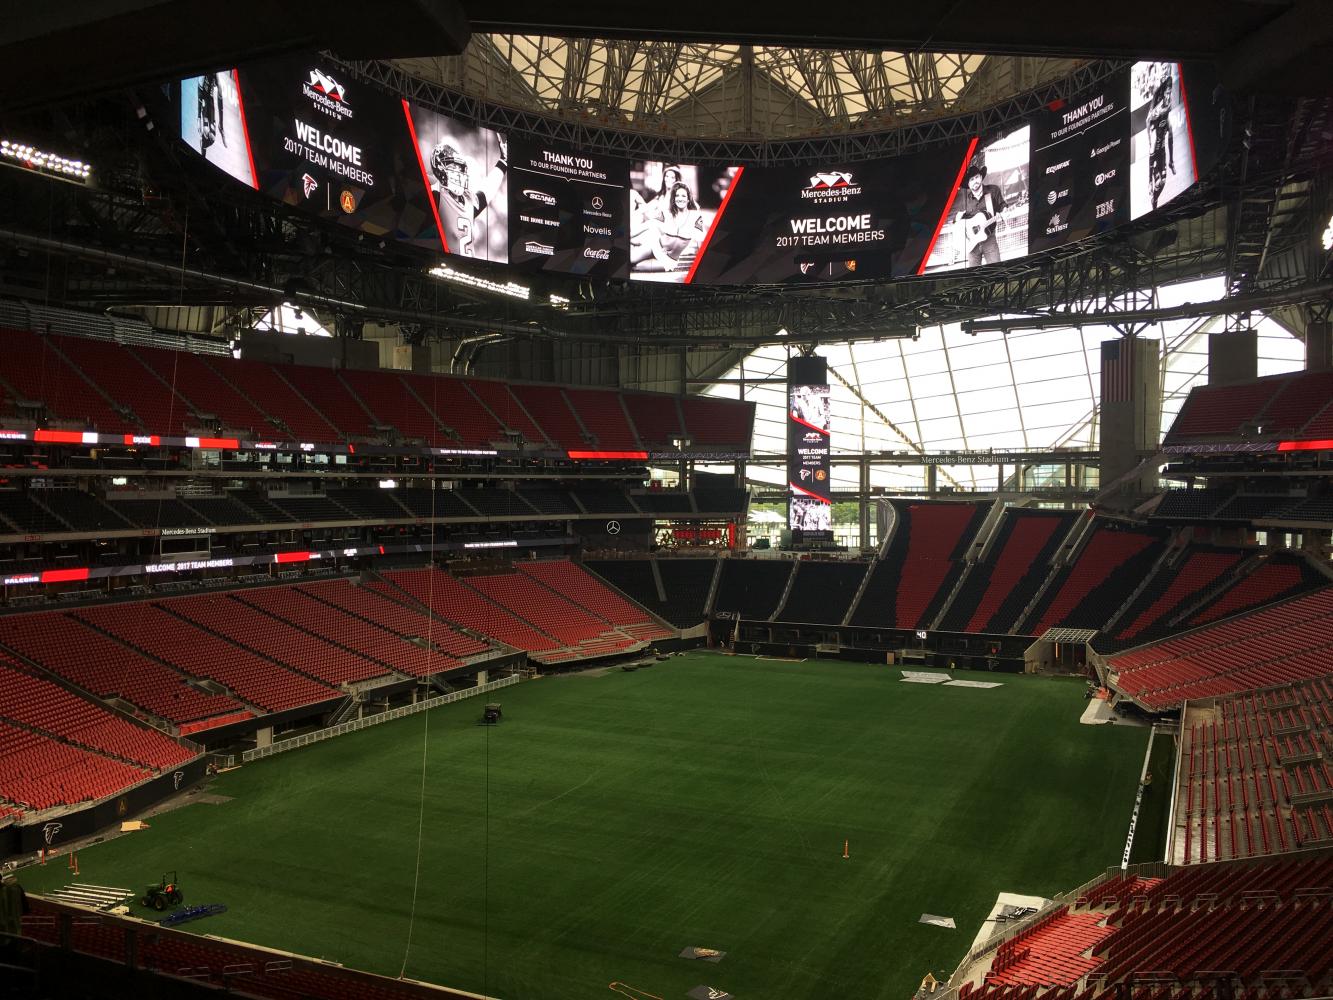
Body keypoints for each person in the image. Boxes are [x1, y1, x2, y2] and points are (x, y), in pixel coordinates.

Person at [430, 135, 508, 260]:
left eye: (460, 168)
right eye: (453, 167)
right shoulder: (436, 196)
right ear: (440, 169)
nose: (458, 173)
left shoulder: (467, 201)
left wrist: (503, 162)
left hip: (467, 269)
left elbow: (487, 191)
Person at [630, 182, 706, 272]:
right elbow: (650, 223)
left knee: (637, 268)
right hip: (654, 247)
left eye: (683, 196)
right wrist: (629, 235)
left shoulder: (695, 216)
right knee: (629, 261)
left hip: (669, 260)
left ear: (689, 199)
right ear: (674, 198)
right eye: (677, 196)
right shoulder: (668, 213)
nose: (680, 199)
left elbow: (701, 239)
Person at [951, 156, 1006, 267]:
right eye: (971, 179)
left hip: (989, 240)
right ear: (968, 184)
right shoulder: (964, 200)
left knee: (997, 270)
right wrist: (957, 218)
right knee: (974, 276)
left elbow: (1003, 206)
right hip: (971, 244)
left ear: (981, 177)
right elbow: (956, 221)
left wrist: (1003, 212)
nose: (975, 181)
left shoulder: (993, 190)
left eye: (976, 177)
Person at [1147, 66, 1176, 210]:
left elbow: (1169, 134)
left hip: (1162, 152)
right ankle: (1153, 187)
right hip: (1155, 151)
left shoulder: (1167, 105)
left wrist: (1171, 160)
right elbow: (1148, 120)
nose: (1167, 95)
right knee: (1157, 181)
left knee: (1162, 182)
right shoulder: (1155, 113)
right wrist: (1148, 181)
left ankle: (1155, 200)